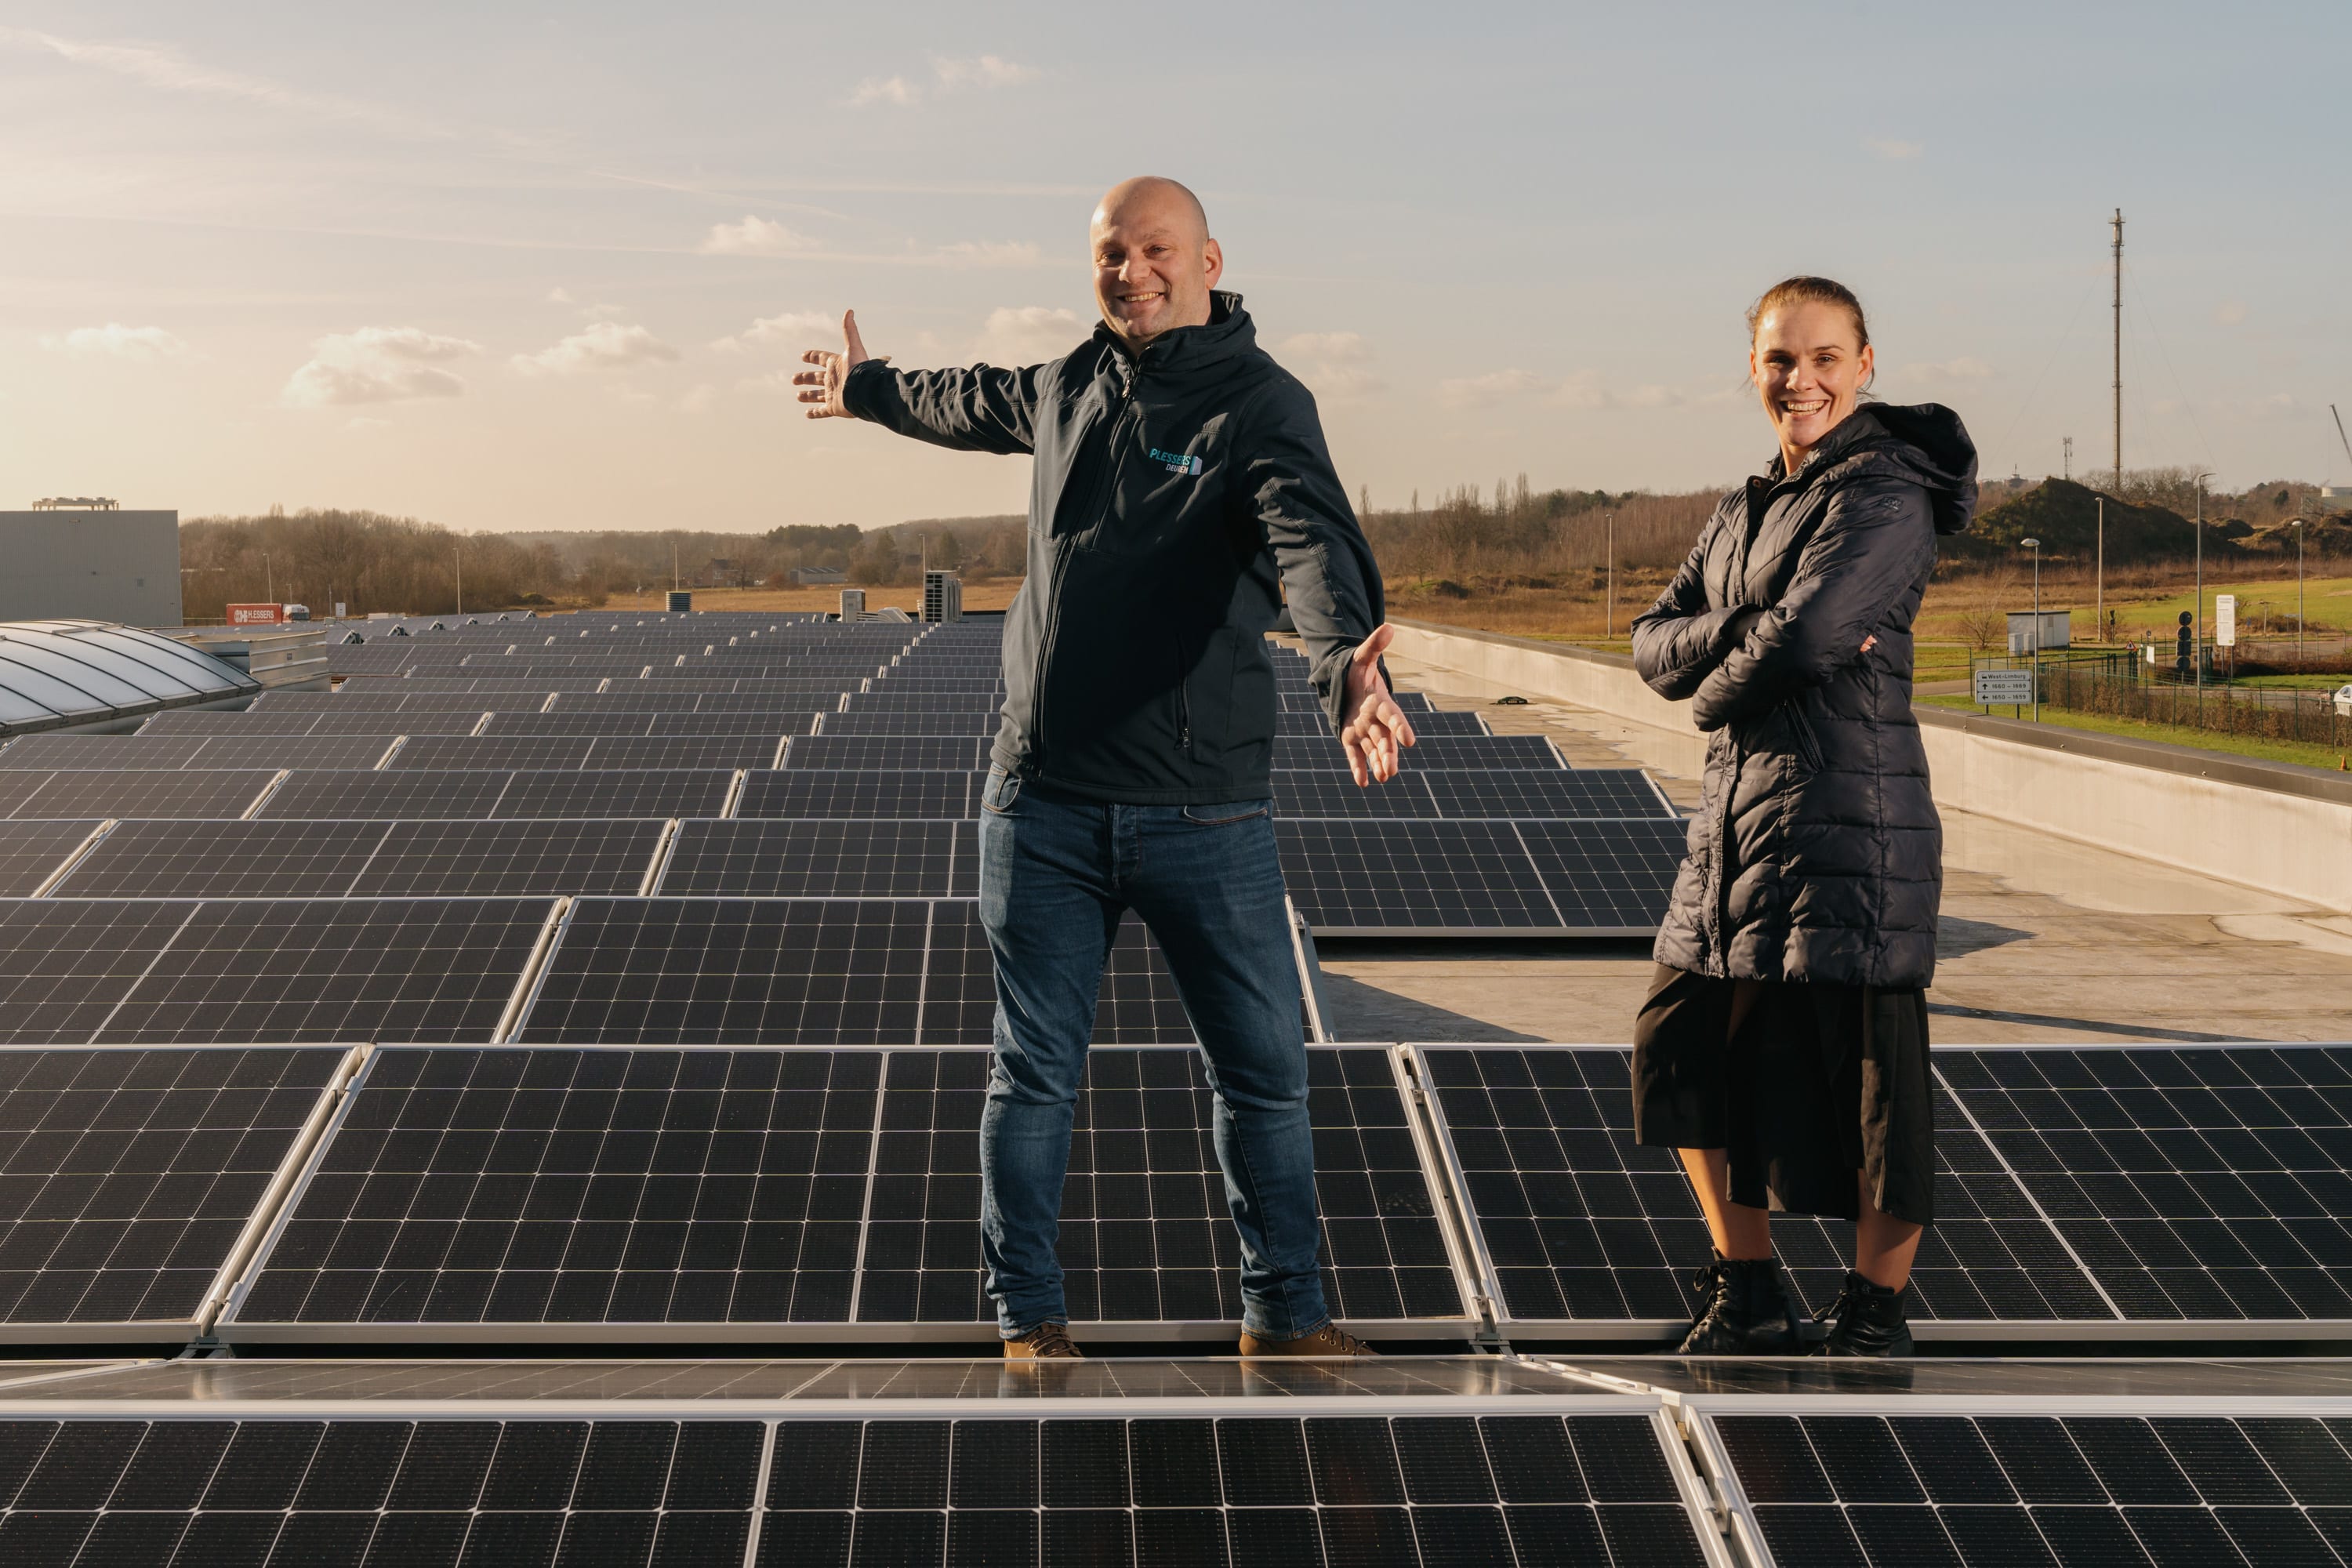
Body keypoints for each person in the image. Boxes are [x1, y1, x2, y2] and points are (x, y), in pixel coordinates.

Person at [795, 176, 1415, 1360]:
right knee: (1031, 1076)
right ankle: (1029, 1322)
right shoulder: (1071, 383)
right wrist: (868, 388)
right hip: (1043, 802)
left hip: (1203, 812)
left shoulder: (1261, 403)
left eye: (1157, 250)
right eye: (1113, 254)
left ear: (1210, 262)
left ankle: (1286, 1318)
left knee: (1262, 1077)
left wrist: (1345, 667)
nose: (1133, 272)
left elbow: (1309, 543)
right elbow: (967, 396)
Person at [1628, 276, 1976, 1358]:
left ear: (1864, 365)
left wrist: (1716, 690)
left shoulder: (1887, 494)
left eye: (1826, 358)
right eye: (1782, 359)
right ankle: (1749, 1288)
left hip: (1849, 817)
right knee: (1681, 1049)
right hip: (1735, 824)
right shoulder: (1742, 508)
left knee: (1871, 1081)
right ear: (1754, 368)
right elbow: (1651, 641)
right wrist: (1747, 625)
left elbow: (1814, 635)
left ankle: (1875, 1312)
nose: (1802, 380)